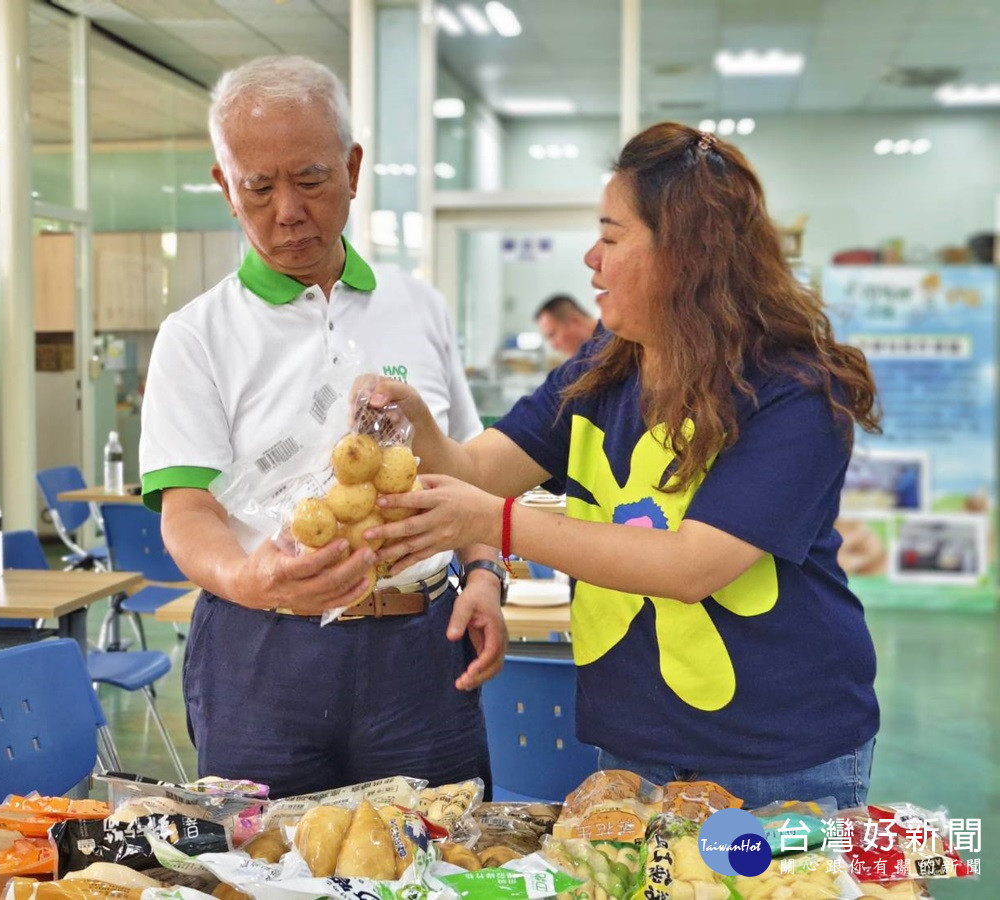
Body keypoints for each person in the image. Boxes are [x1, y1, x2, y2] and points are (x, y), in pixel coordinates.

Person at [365, 123, 882, 809]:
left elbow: (691, 565)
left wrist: (496, 523)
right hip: (633, 741)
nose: (591, 260)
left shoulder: (793, 392)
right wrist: (413, 422)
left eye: (611, 237)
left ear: (687, 256)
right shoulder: (605, 366)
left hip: (776, 754)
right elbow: (475, 468)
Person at [139, 55, 506, 799]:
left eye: (309, 179)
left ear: (353, 167)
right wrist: (251, 577)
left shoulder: (419, 307)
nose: (286, 210)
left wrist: (486, 573)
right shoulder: (196, 335)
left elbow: (466, 471)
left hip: (421, 644)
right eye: (258, 187)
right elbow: (188, 511)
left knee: (444, 857)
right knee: (262, 868)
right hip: (262, 652)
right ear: (224, 186)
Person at [534, 293, 599, 357]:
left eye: (552, 335)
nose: (553, 345)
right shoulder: (588, 357)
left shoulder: (605, 350)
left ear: (575, 321)